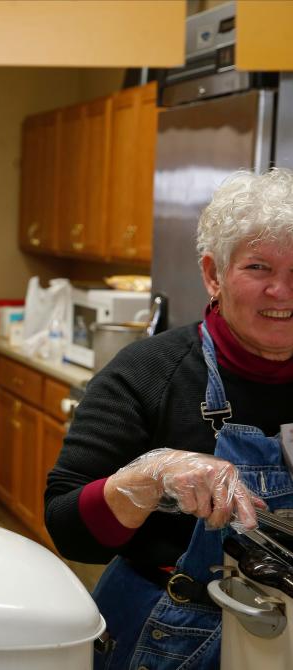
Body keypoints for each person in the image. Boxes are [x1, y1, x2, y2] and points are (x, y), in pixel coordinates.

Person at [45, 167, 293, 669]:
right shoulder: (148, 371)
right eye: (258, 268)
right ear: (213, 275)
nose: (282, 292)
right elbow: (67, 526)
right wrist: (146, 479)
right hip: (167, 627)